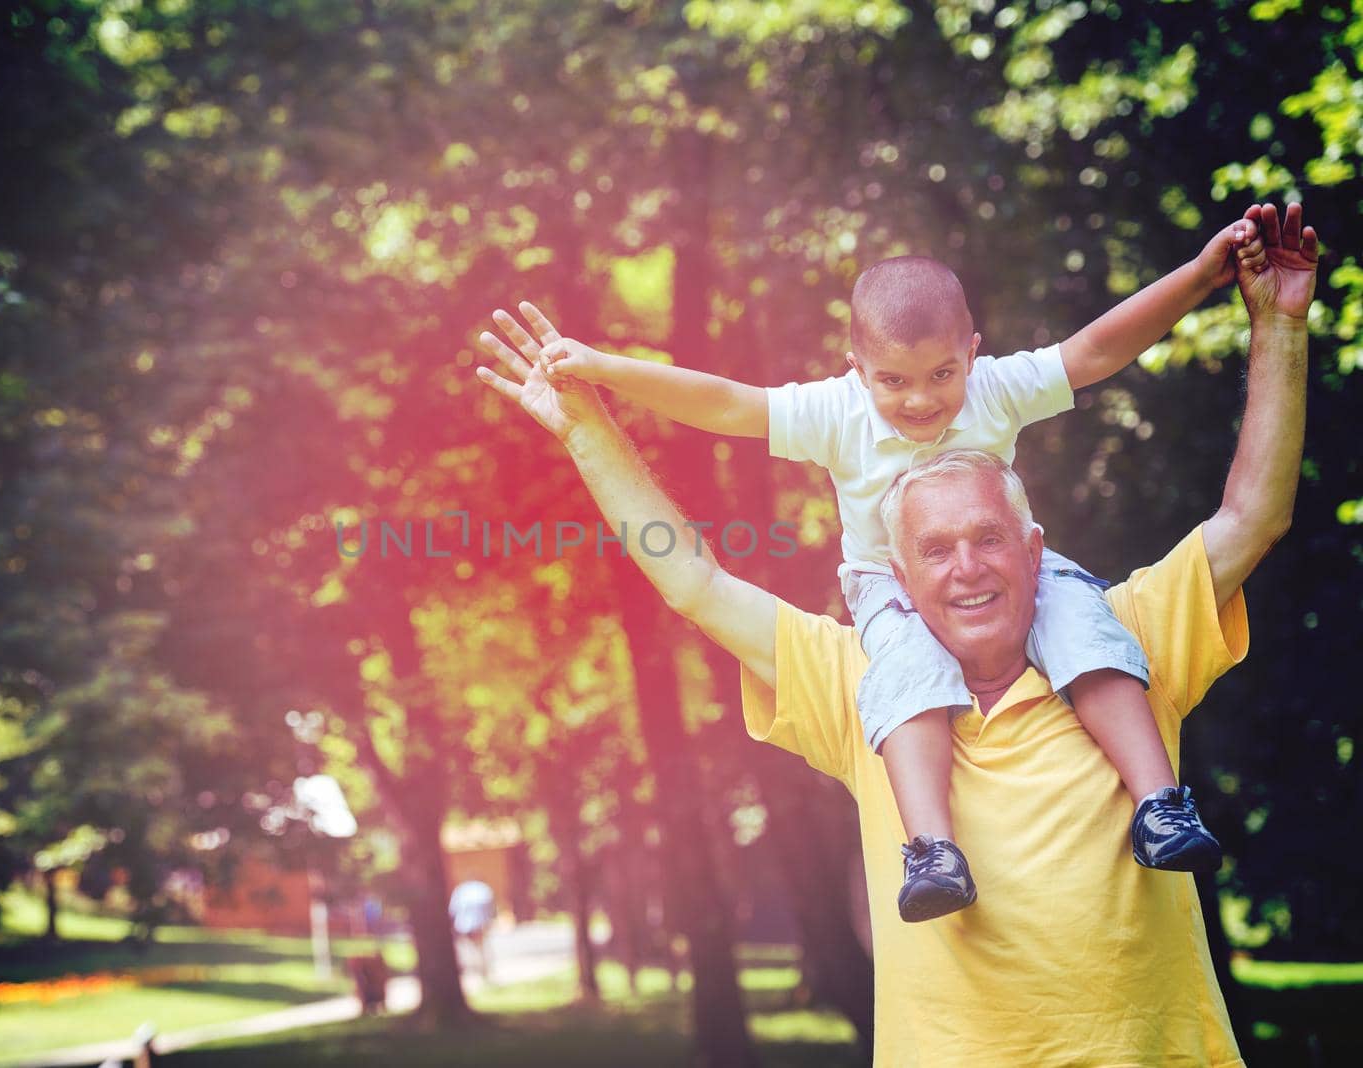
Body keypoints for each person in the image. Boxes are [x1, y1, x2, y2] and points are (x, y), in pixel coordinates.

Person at [472, 202, 1316, 1065]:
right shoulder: (861, 680)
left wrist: (1277, 323)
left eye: (989, 539)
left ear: (1034, 549)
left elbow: (1253, 513)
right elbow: (694, 576)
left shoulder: (1121, 639)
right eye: (936, 551)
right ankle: (931, 851)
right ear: (900, 578)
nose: (967, 569)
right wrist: (588, 420)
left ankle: (1160, 806)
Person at [448, 878, 496, 979]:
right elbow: (490, 906)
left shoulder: (460, 891)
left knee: (471, 947)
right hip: (480, 922)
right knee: (480, 946)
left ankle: (478, 967)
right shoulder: (482, 889)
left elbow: (452, 909)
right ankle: (482, 967)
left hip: (464, 924)